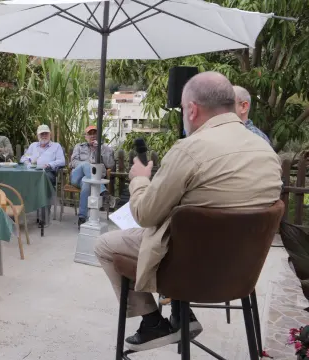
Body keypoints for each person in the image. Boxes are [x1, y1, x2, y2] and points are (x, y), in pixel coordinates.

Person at [93, 72, 282, 352]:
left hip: (188, 270)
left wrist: (140, 179)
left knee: (106, 243)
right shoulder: (267, 152)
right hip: (242, 271)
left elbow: (145, 214)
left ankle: (152, 322)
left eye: (183, 109)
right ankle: (182, 315)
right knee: (181, 227)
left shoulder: (190, 150)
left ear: (192, 109)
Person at [70, 125, 115, 225]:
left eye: (95, 133)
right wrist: (86, 165)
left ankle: (82, 218)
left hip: (91, 179)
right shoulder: (79, 147)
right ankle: (103, 192)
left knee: (86, 182)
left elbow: (110, 164)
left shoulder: (105, 148)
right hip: (77, 177)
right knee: (86, 165)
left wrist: (101, 149)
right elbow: (73, 162)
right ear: (85, 136)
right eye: (90, 134)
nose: (93, 136)